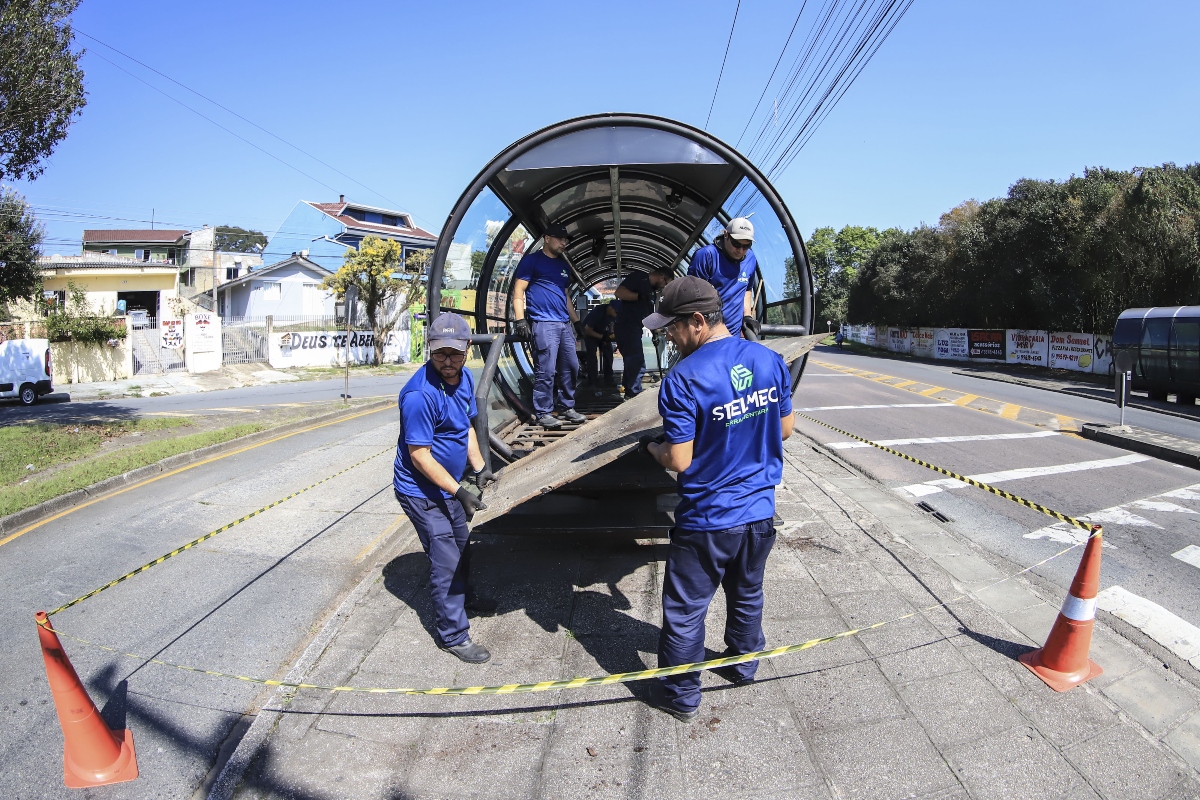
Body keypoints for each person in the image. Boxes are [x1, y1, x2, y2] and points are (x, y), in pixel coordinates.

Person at [638, 277, 795, 721]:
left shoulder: (683, 378)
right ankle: (744, 667)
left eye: (671, 327)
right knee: (747, 593)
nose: (667, 335)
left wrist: (652, 449)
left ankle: (682, 696)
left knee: (686, 610)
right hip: (761, 513)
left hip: (708, 519)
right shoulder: (769, 360)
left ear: (699, 322)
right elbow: (785, 429)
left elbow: (680, 460)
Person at [393, 312, 498, 664]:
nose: (448, 362)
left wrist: (481, 467)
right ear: (430, 350)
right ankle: (453, 635)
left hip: (449, 486)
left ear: (468, 348)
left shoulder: (465, 378)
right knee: (446, 560)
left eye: (455, 353)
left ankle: (464, 597)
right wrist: (460, 491)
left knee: (463, 544)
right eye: (441, 354)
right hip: (421, 493)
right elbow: (420, 455)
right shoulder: (420, 395)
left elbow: (464, 428)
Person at [512, 223, 585, 430]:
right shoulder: (532, 261)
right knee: (546, 370)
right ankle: (543, 411)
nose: (564, 243)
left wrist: (576, 321)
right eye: (560, 239)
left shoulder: (563, 266)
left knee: (572, 366)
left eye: (566, 240)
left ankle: (566, 407)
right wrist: (520, 319)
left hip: (563, 324)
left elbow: (566, 295)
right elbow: (519, 291)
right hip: (543, 323)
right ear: (547, 238)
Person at [688, 217, 759, 339]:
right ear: (726, 235)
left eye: (746, 246)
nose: (740, 250)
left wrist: (747, 316)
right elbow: (692, 297)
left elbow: (748, 288)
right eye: (736, 244)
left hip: (733, 335)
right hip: (706, 335)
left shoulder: (750, 259)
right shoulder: (706, 255)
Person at [613, 267, 674, 398]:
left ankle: (629, 390)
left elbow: (648, 315)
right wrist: (639, 296)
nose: (664, 287)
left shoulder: (652, 292)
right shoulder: (639, 277)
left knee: (631, 361)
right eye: (666, 283)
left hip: (635, 328)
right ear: (661, 277)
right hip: (626, 326)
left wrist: (654, 331)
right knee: (637, 362)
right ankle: (634, 394)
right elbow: (619, 292)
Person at [581, 301, 618, 390]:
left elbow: (611, 323)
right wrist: (602, 337)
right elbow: (587, 330)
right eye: (616, 312)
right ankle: (593, 382)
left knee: (608, 354)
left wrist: (611, 334)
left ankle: (608, 379)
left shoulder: (613, 314)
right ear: (610, 308)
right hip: (590, 334)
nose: (617, 314)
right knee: (592, 357)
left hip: (602, 332)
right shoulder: (597, 313)